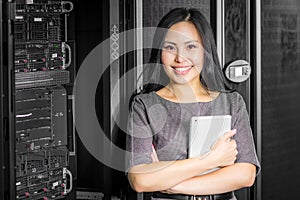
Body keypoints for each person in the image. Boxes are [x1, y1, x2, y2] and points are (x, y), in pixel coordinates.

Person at [126, 8, 260, 200]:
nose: (180, 58)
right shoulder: (144, 105)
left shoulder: (232, 102)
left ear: (205, 51)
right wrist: (211, 160)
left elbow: (246, 174)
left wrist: (172, 184)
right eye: (170, 47)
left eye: (191, 47)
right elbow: (140, 180)